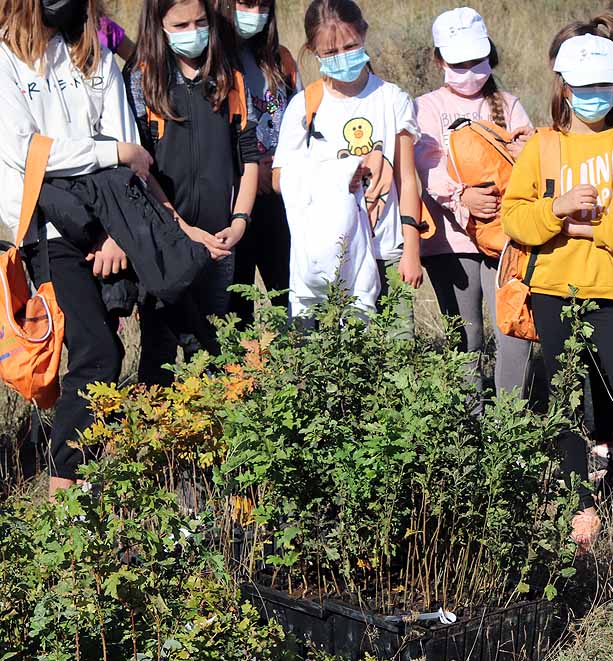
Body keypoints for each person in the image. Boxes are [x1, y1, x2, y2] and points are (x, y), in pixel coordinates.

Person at [500, 32, 613, 550]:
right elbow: (515, 218)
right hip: (554, 291)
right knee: (566, 403)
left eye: (606, 85)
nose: (596, 94)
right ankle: (581, 504)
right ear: (565, 87)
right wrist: (556, 210)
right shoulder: (544, 145)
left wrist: (589, 227)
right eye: (585, 85)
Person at [0, 0, 150, 493]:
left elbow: (124, 137)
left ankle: (90, 490)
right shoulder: (6, 59)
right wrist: (110, 153)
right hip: (51, 232)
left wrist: (115, 231)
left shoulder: (93, 52)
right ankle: (65, 491)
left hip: (110, 232)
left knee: (100, 358)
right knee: (98, 354)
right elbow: (27, 152)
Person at [127, 0, 261, 385]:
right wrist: (181, 227)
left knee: (217, 345)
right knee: (161, 350)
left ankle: (220, 439)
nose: (193, 32)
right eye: (181, 24)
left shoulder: (228, 75)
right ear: (159, 25)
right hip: (165, 244)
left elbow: (248, 155)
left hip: (220, 240)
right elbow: (140, 168)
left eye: (200, 22)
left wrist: (239, 222)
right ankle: (163, 440)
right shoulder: (142, 78)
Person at [274, 0, 423, 324]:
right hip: (327, 254)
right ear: (313, 50)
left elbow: (407, 180)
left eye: (350, 46)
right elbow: (279, 178)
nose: (342, 58)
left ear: (364, 34)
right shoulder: (305, 106)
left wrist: (411, 250)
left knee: (395, 353)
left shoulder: (392, 99)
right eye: (329, 53)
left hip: (386, 248)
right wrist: (337, 173)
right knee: (327, 361)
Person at [415, 6, 533, 395]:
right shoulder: (428, 106)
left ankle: (508, 423)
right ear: (439, 60)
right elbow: (426, 162)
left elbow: (530, 157)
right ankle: (469, 426)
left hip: (505, 238)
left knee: (512, 330)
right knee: (466, 336)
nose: (470, 71)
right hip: (451, 240)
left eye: (476, 60)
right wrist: (462, 196)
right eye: (459, 63)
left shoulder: (509, 104)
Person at [228, 0, 303, 322]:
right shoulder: (215, 62)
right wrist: (249, 167)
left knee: (291, 294)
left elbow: (300, 121)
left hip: (280, 195)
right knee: (235, 302)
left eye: (262, 6)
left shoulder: (280, 59)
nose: (254, 14)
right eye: (246, 4)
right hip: (233, 198)